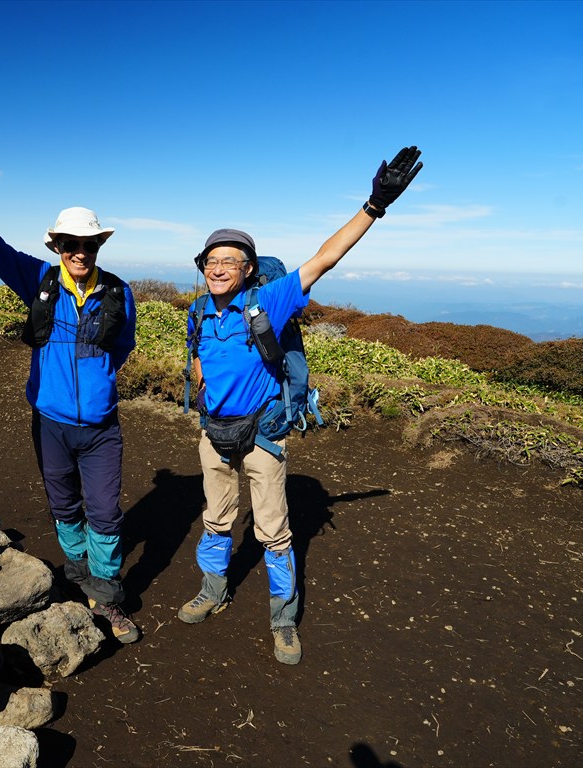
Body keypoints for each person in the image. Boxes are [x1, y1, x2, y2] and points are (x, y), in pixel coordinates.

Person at [178, 146, 424, 664]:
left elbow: (325, 257)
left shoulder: (269, 300)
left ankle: (283, 619)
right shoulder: (198, 311)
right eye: (211, 261)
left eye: (229, 261)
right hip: (213, 433)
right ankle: (212, 590)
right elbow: (198, 362)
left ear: (248, 269)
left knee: (273, 531)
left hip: (261, 434)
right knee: (217, 519)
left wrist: (375, 205)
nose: (218, 268)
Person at [0, 148, 141, 644]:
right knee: (64, 506)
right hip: (49, 423)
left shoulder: (118, 292)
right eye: (70, 244)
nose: (80, 252)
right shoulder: (39, 280)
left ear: (98, 245)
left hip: (100, 428)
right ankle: (78, 577)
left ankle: (107, 596)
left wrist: (97, 382)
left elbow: (122, 346)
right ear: (57, 245)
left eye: (88, 244)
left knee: (105, 514)